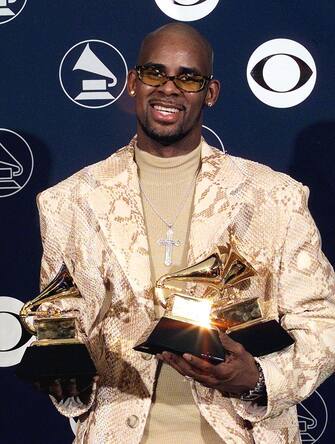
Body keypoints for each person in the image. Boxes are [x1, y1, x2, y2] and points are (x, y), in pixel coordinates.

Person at [35, 23, 335, 443]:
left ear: (209, 93)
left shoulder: (274, 197)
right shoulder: (68, 202)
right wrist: (61, 370)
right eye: (155, 73)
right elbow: (62, 320)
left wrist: (257, 377)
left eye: (188, 77)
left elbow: (323, 319)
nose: (169, 88)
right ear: (133, 84)